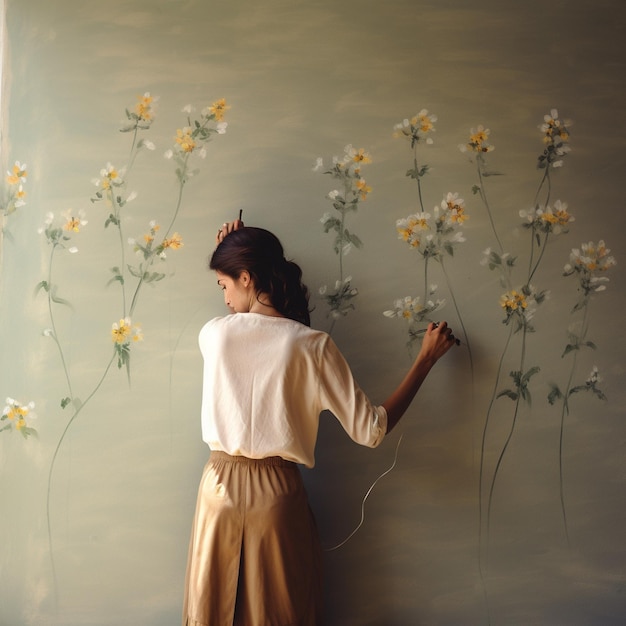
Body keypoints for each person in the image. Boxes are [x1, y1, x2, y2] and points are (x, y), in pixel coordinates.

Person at [182, 219, 457, 626]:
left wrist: (230, 246)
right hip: (276, 497)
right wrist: (425, 360)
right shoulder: (312, 345)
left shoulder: (213, 335)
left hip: (217, 491)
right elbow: (371, 430)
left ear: (245, 276)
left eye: (224, 285)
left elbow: (244, 327)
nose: (223, 298)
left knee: (211, 613)